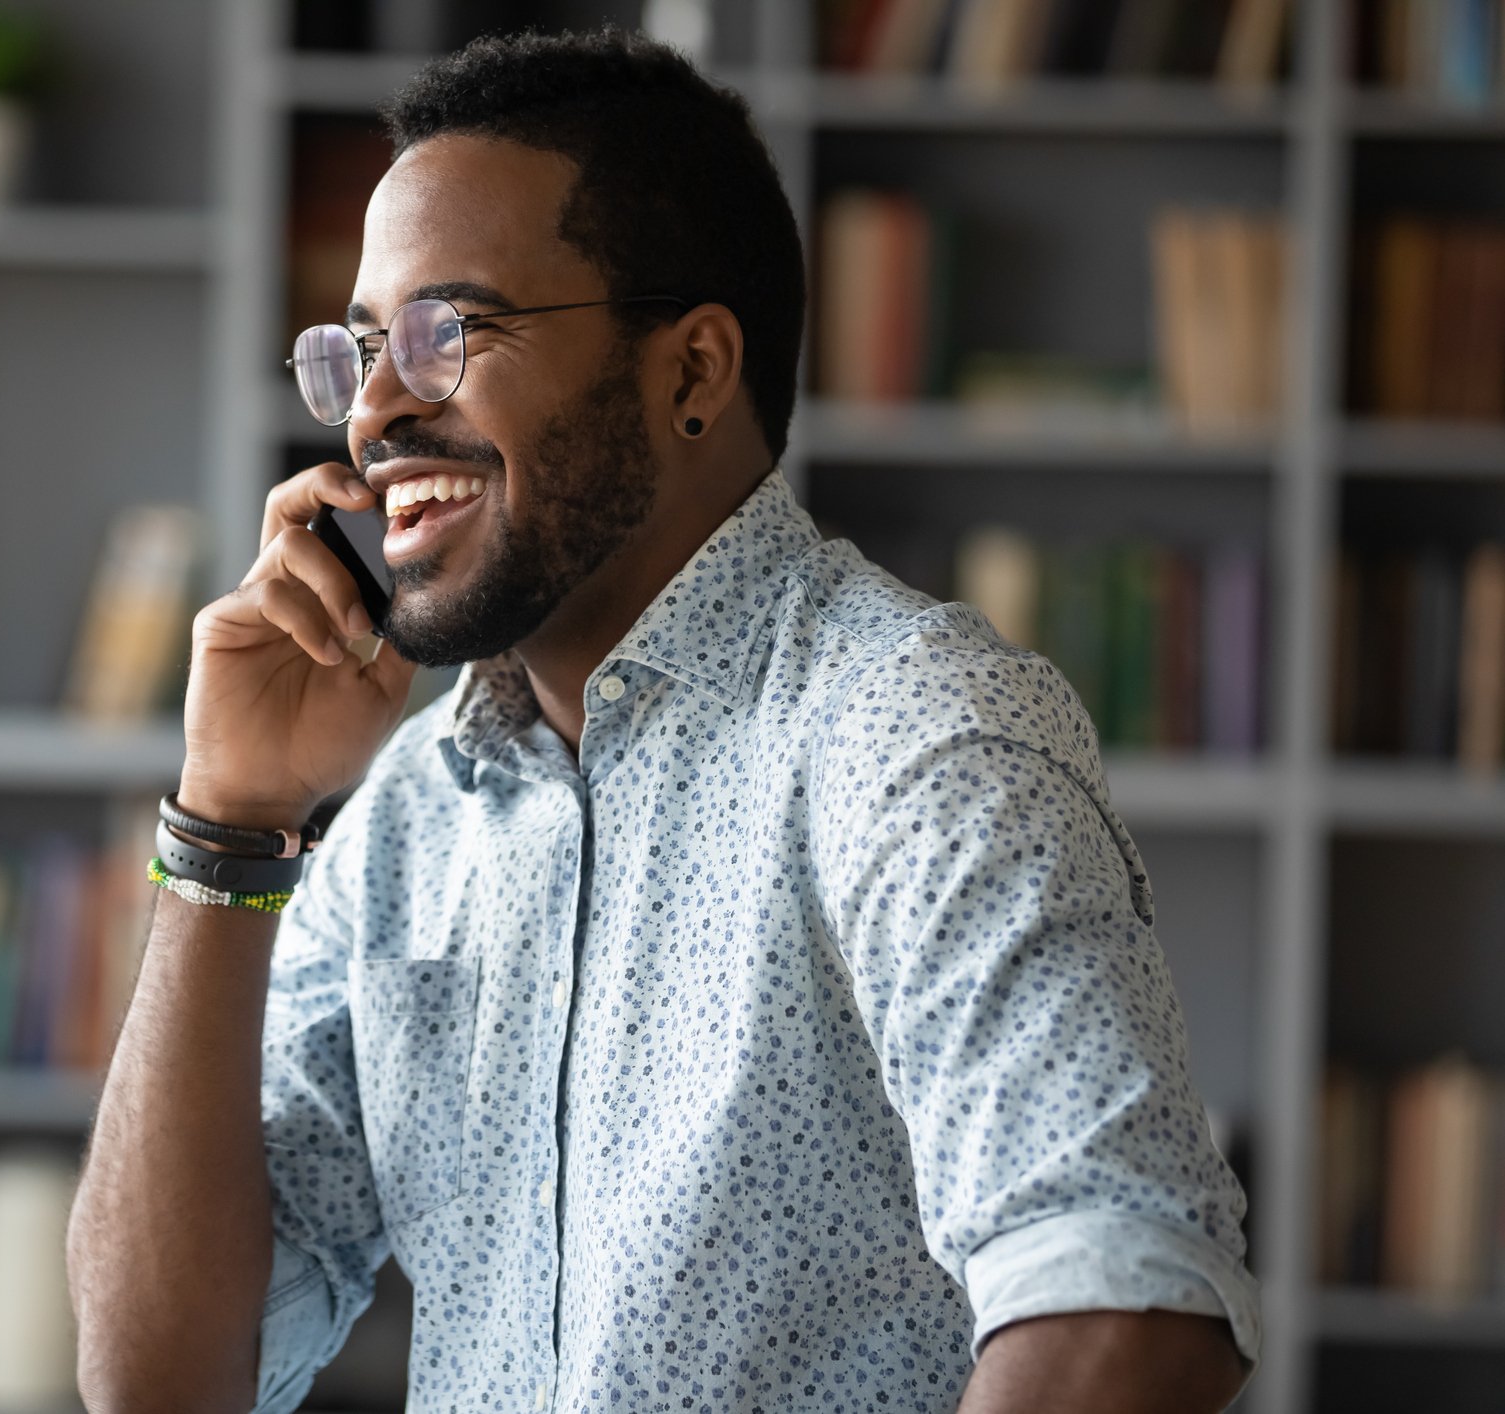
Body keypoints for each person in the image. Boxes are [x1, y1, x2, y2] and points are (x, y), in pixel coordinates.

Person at [68, 26, 1259, 1414]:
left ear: (691, 372)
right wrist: (226, 824)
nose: (376, 408)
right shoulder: (409, 817)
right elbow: (161, 1382)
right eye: (354, 350)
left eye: (447, 332)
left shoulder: (915, 734)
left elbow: (1123, 1305)